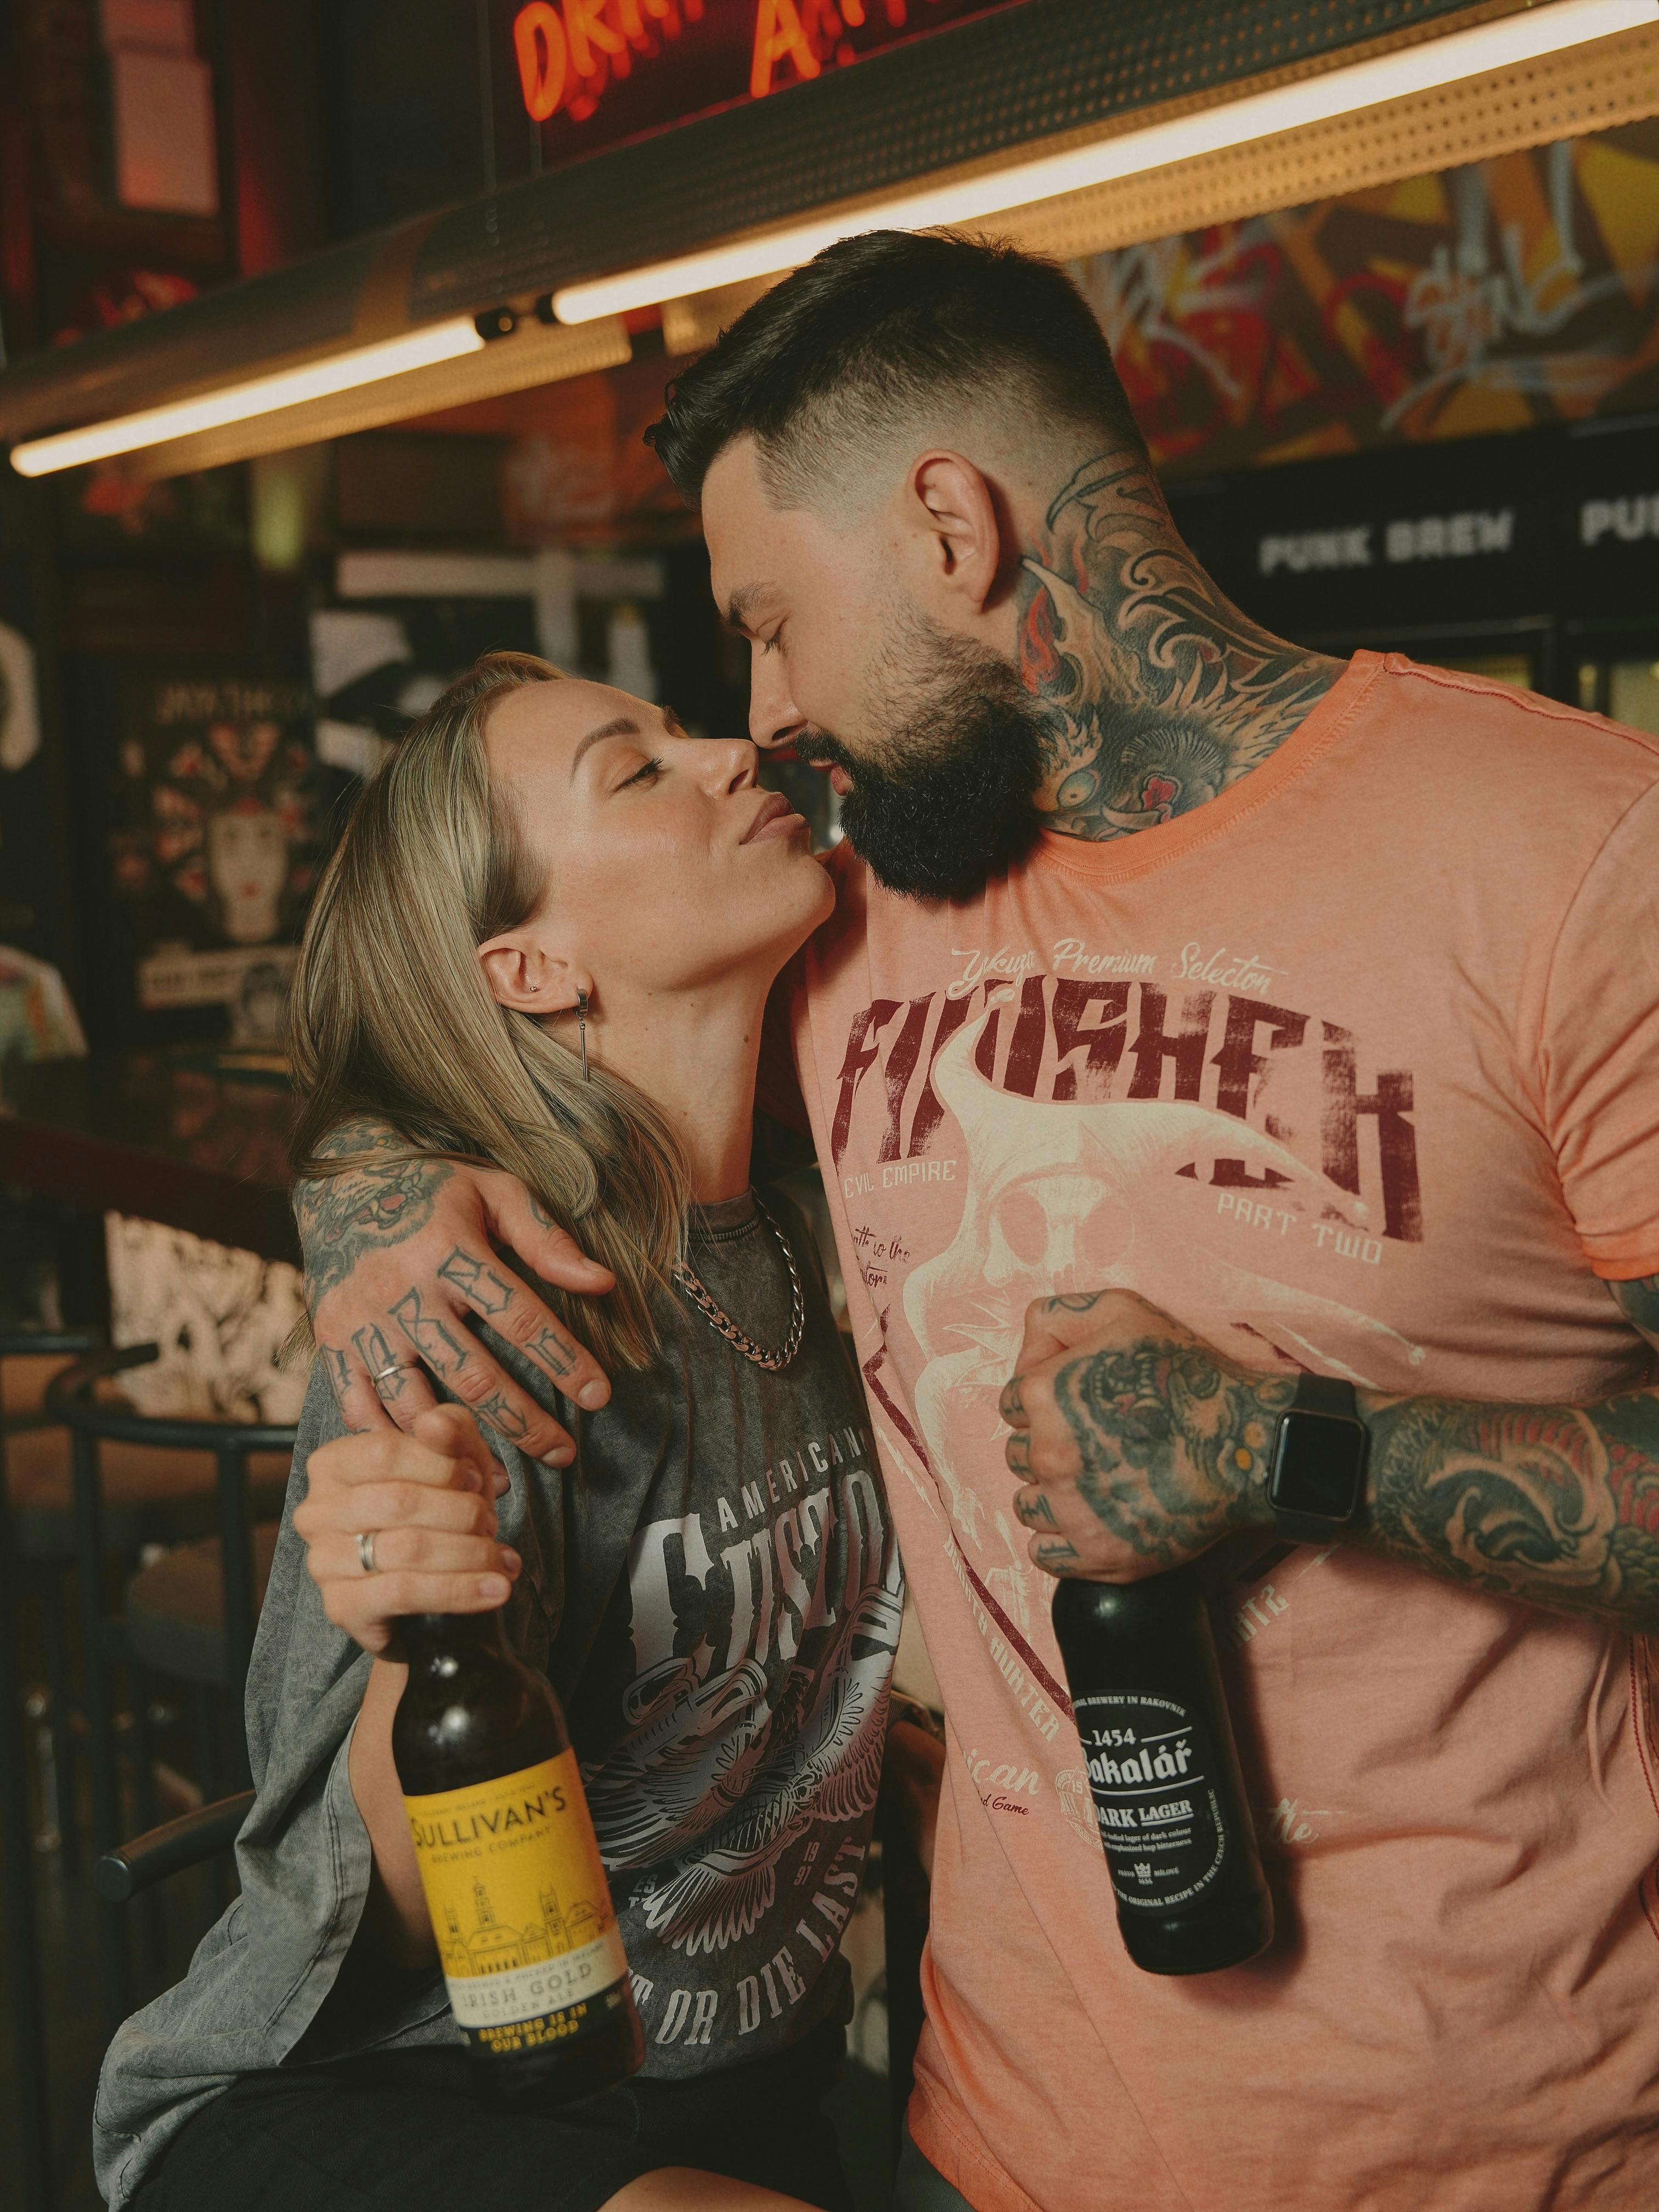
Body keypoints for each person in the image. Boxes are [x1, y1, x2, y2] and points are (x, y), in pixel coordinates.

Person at [298, 234, 1659, 2211]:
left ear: (951, 529)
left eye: (771, 619)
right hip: (998, 2140)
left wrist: (1282, 1450)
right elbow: (497, 1020)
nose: (760, 711)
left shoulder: (1584, 855)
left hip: (1510, 2143)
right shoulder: (848, 911)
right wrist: (380, 1197)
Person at [96, 652, 934, 2212]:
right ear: (530, 970)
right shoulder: (490, 1314)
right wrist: (419, 1636)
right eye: (637, 770)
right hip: (398, 2092)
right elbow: (396, 1921)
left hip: (741, 2089)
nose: (732, 753)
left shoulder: (822, 1225)